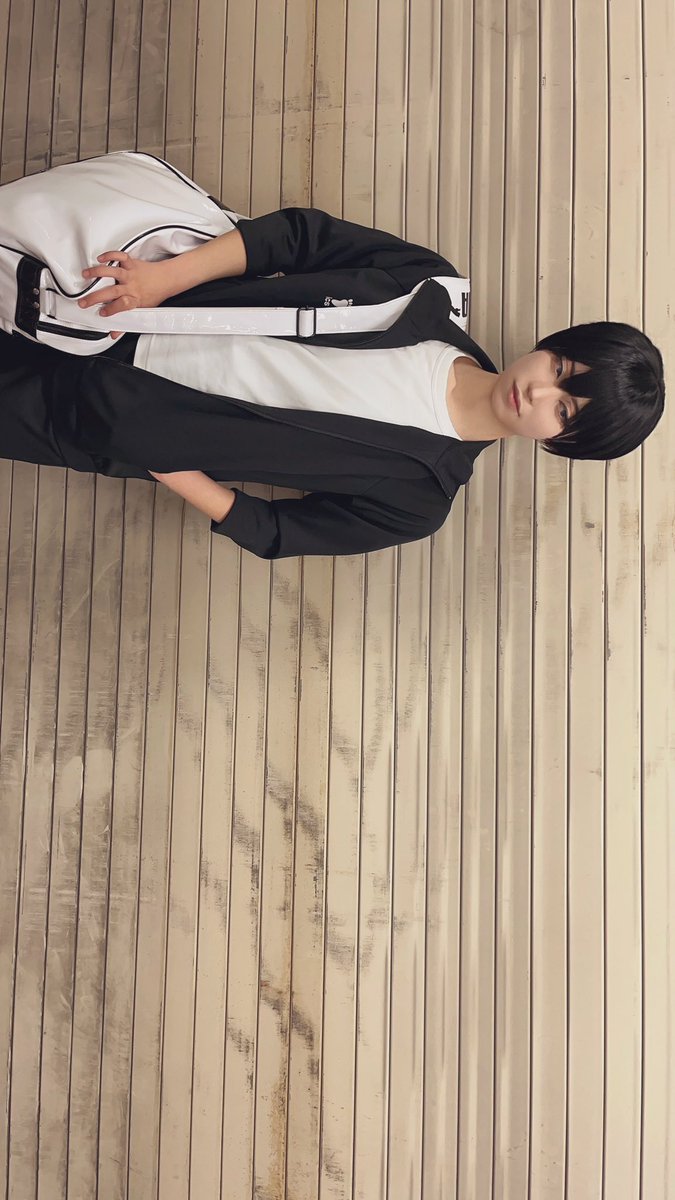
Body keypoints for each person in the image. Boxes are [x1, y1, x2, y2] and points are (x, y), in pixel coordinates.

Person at [1, 207, 665, 558]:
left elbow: (277, 531)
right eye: (560, 369)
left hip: (97, 423)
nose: (539, 392)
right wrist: (165, 279)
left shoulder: (418, 499)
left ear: (560, 443)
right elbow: (297, 238)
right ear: (549, 347)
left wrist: (166, 463)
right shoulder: (425, 288)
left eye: (563, 410)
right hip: (118, 305)